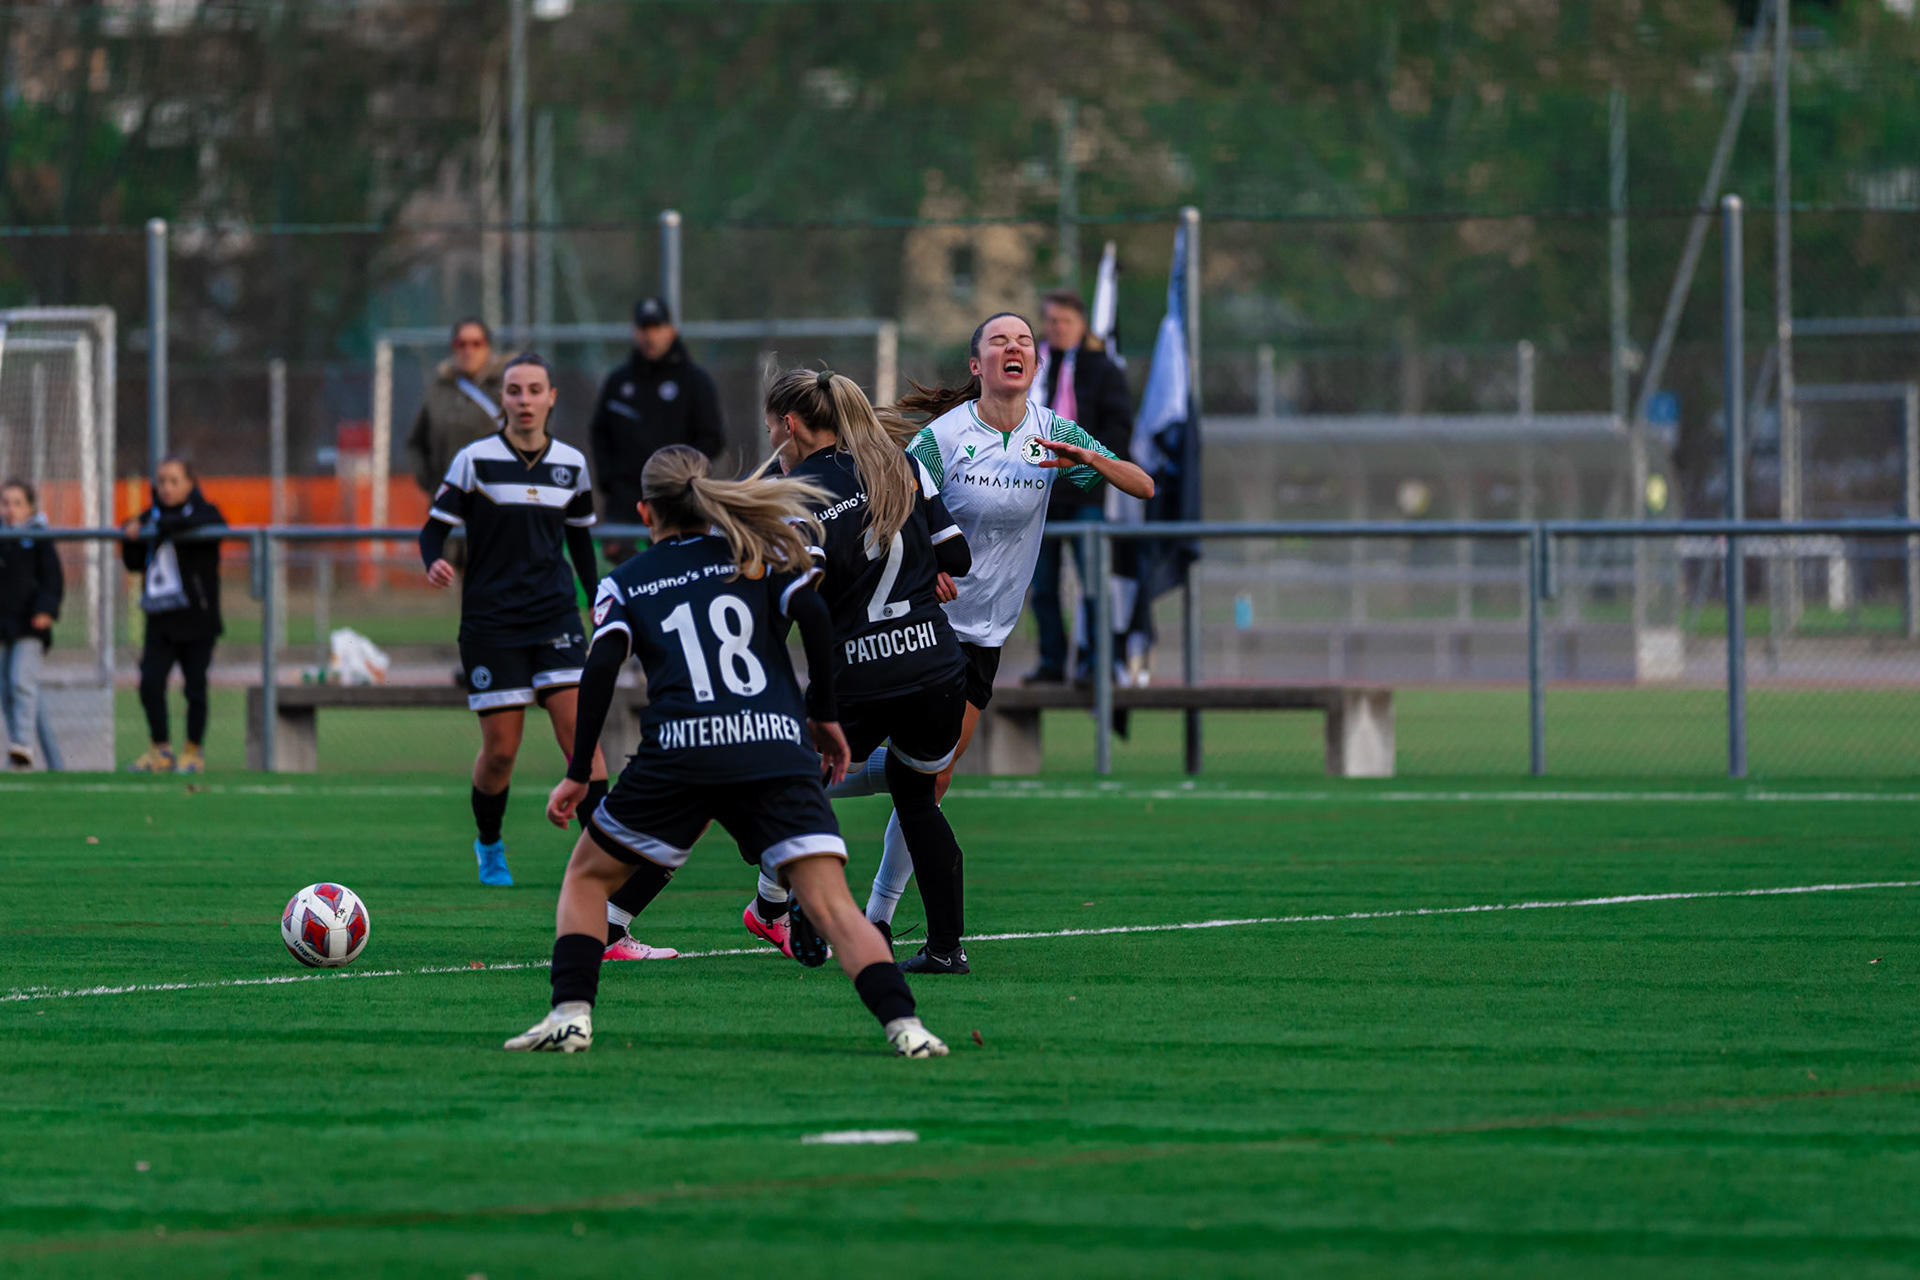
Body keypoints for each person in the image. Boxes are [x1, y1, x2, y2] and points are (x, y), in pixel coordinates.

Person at [508, 444, 948, 1058]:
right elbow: (815, 616)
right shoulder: (758, 556)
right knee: (832, 904)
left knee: (585, 878)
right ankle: (908, 1028)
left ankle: (571, 1016)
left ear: (644, 512)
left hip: (680, 753)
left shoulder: (627, 581)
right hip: (772, 745)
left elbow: (600, 670)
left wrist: (579, 771)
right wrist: (822, 715)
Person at [856, 313, 1155, 969]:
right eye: (999, 341)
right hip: (925, 622)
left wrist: (1088, 460)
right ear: (977, 365)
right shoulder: (944, 437)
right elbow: (896, 506)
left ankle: (820, 797)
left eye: (1024, 341)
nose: (1014, 348)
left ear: (1035, 365)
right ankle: (870, 916)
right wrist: (924, 566)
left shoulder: (1052, 433)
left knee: (930, 777)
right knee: (924, 777)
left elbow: (1144, 486)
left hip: (986, 633)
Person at [721, 367, 974, 971]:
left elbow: (796, 600)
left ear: (788, 425)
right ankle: (945, 951)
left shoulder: (799, 493)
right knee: (918, 801)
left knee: (797, 788)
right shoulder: (898, 465)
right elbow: (958, 557)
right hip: (937, 667)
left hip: (858, 675)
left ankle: (805, 915)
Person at [420, 353, 636, 904]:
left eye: (533, 389)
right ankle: (489, 843)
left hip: (556, 615)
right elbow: (433, 528)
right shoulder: (475, 460)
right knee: (501, 752)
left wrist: (596, 598)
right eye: (513, 391)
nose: (523, 399)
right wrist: (434, 560)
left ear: (551, 397)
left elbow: (582, 541)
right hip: (490, 622)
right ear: (504, 401)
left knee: (580, 740)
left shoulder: (570, 464)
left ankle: (603, 855)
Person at [1023, 288, 1135, 685]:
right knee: (1042, 585)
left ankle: (1099, 662)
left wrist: (1092, 463)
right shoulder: (1034, 365)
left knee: (1092, 583)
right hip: (1038, 493)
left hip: (1085, 490)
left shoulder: (1103, 370)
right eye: (1051, 321)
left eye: (1065, 321)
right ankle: (1052, 661)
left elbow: (1120, 429)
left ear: (1081, 324)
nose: (1057, 328)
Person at [588, 297, 726, 564]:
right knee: (628, 569)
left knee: (677, 565)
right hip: (626, 500)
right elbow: (599, 433)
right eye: (643, 328)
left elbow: (712, 438)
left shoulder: (694, 381)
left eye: (657, 327)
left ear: (671, 330)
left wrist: (680, 476)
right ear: (634, 331)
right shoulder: (619, 382)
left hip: (677, 500)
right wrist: (610, 482)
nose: (649, 336)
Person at [120, 458, 227, 774]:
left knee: (195, 688)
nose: (165, 488)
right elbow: (134, 561)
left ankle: (193, 750)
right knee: (150, 683)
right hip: (161, 618)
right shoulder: (150, 516)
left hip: (197, 619)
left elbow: (214, 525)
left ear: (189, 483)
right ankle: (160, 749)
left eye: (173, 481)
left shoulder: (204, 512)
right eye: (161, 481)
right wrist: (131, 537)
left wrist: (161, 527)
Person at [405, 318, 515, 496]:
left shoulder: (508, 388)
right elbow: (417, 442)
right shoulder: (440, 389)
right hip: (447, 499)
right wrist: (430, 481)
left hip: (495, 500)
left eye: (476, 344)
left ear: (488, 347)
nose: (468, 351)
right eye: (461, 344)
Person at [0, 480, 62, 769]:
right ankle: (44, 759)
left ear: (30, 507)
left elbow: (52, 579)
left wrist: (46, 610)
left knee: (21, 681)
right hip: (4, 627)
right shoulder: (3, 539)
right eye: (5, 503)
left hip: (30, 626)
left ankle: (22, 745)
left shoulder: (38, 540)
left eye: (17, 503)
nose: (10, 510)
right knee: (6, 689)